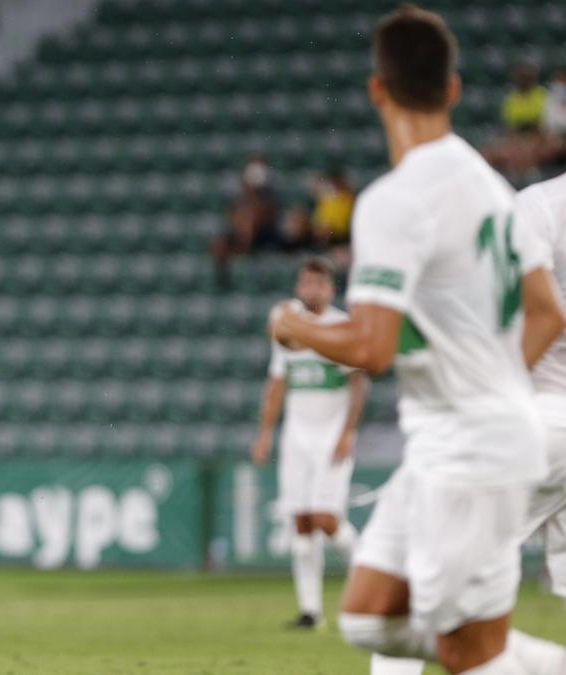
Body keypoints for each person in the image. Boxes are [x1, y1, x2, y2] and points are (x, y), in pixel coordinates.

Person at [272, 7, 566, 674]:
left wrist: (297, 326)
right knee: (371, 614)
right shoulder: (490, 187)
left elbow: (373, 349)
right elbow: (547, 312)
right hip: (471, 429)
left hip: (473, 441)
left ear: (377, 89)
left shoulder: (394, 199)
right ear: (454, 90)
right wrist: (492, 380)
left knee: (464, 648)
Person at [252, 256, 366, 630]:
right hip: (297, 436)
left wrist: (348, 432)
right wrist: (266, 433)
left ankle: (371, 577)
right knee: (301, 523)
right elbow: (277, 383)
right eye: (305, 283)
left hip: (330, 435)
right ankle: (310, 611)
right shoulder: (288, 325)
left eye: (318, 283)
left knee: (326, 519)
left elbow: (358, 383)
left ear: (330, 289)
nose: (311, 289)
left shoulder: (341, 326)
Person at [209, 155, 284, 286]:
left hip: (265, 234)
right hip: (241, 233)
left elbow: (267, 215)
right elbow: (231, 214)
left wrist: (251, 196)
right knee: (218, 245)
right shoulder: (239, 192)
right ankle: (223, 284)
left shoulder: (272, 192)